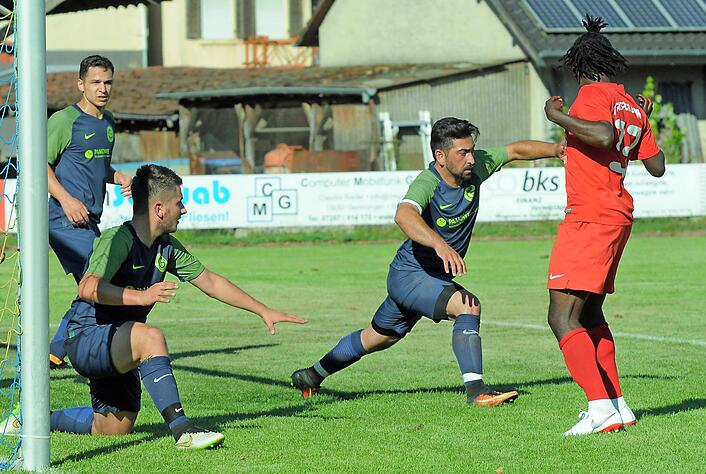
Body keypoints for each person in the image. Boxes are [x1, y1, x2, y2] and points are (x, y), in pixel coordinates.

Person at [4, 164, 306, 449]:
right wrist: (142, 296)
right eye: (179, 202)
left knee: (113, 428)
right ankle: (183, 430)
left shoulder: (166, 247)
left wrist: (262, 309)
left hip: (120, 340)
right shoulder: (117, 239)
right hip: (86, 336)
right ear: (159, 209)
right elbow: (88, 287)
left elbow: (210, 281)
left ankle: (31, 419)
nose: (184, 209)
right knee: (151, 337)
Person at [291, 117, 565, 406]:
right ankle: (476, 391)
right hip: (410, 274)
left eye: (472, 150)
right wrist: (440, 244)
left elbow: (515, 151)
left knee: (376, 338)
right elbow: (403, 215)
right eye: (463, 152)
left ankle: (311, 375)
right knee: (467, 306)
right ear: (440, 156)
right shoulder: (428, 182)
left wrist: (555, 148)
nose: (472, 158)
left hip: (427, 278)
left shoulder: (476, 166)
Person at [542, 15, 666, 436]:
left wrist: (556, 116)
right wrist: (646, 120)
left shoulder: (590, 95)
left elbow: (598, 135)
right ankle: (617, 405)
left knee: (561, 316)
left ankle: (599, 408)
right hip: (616, 215)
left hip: (590, 216)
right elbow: (657, 167)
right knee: (590, 312)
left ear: (579, 67)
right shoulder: (631, 103)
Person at [47, 55, 133, 368]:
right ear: (80, 84)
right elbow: (39, 165)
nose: (103, 88)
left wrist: (117, 176)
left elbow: (96, 165)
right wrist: (67, 200)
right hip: (60, 218)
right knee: (100, 280)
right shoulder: (63, 121)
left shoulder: (108, 122)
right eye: (95, 82)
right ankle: (63, 345)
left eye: (108, 82)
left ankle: (59, 348)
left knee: (96, 283)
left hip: (89, 220)